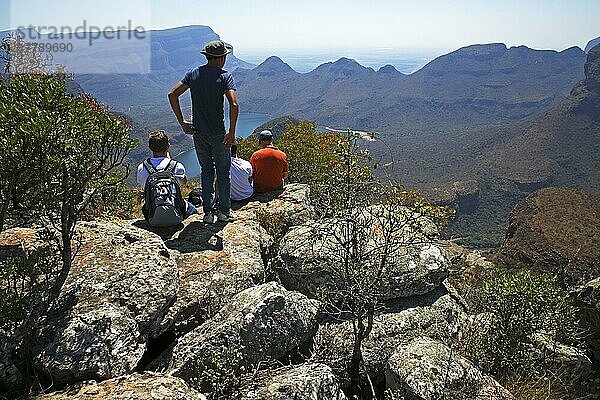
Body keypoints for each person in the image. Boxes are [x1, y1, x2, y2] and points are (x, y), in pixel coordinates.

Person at [168, 40, 238, 224]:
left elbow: (172, 94)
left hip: (198, 133)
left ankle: (207, 213)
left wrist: (183, 123)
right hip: (218, 134)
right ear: (222, 58)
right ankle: (224, 212)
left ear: (207, 56)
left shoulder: (193, 74)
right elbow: (234, 104)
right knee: (223, 172)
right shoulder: (225, 76)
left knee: (206, 170)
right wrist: (231, 133)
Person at [137, 131, 197, 227]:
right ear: (168, 146)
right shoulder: (177, 166)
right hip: (177, 216)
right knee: (194, 210)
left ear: (150, 147)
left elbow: (143, 187)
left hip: (152, 218)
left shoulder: (142, 167)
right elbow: (184, 183)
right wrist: (170, 162)